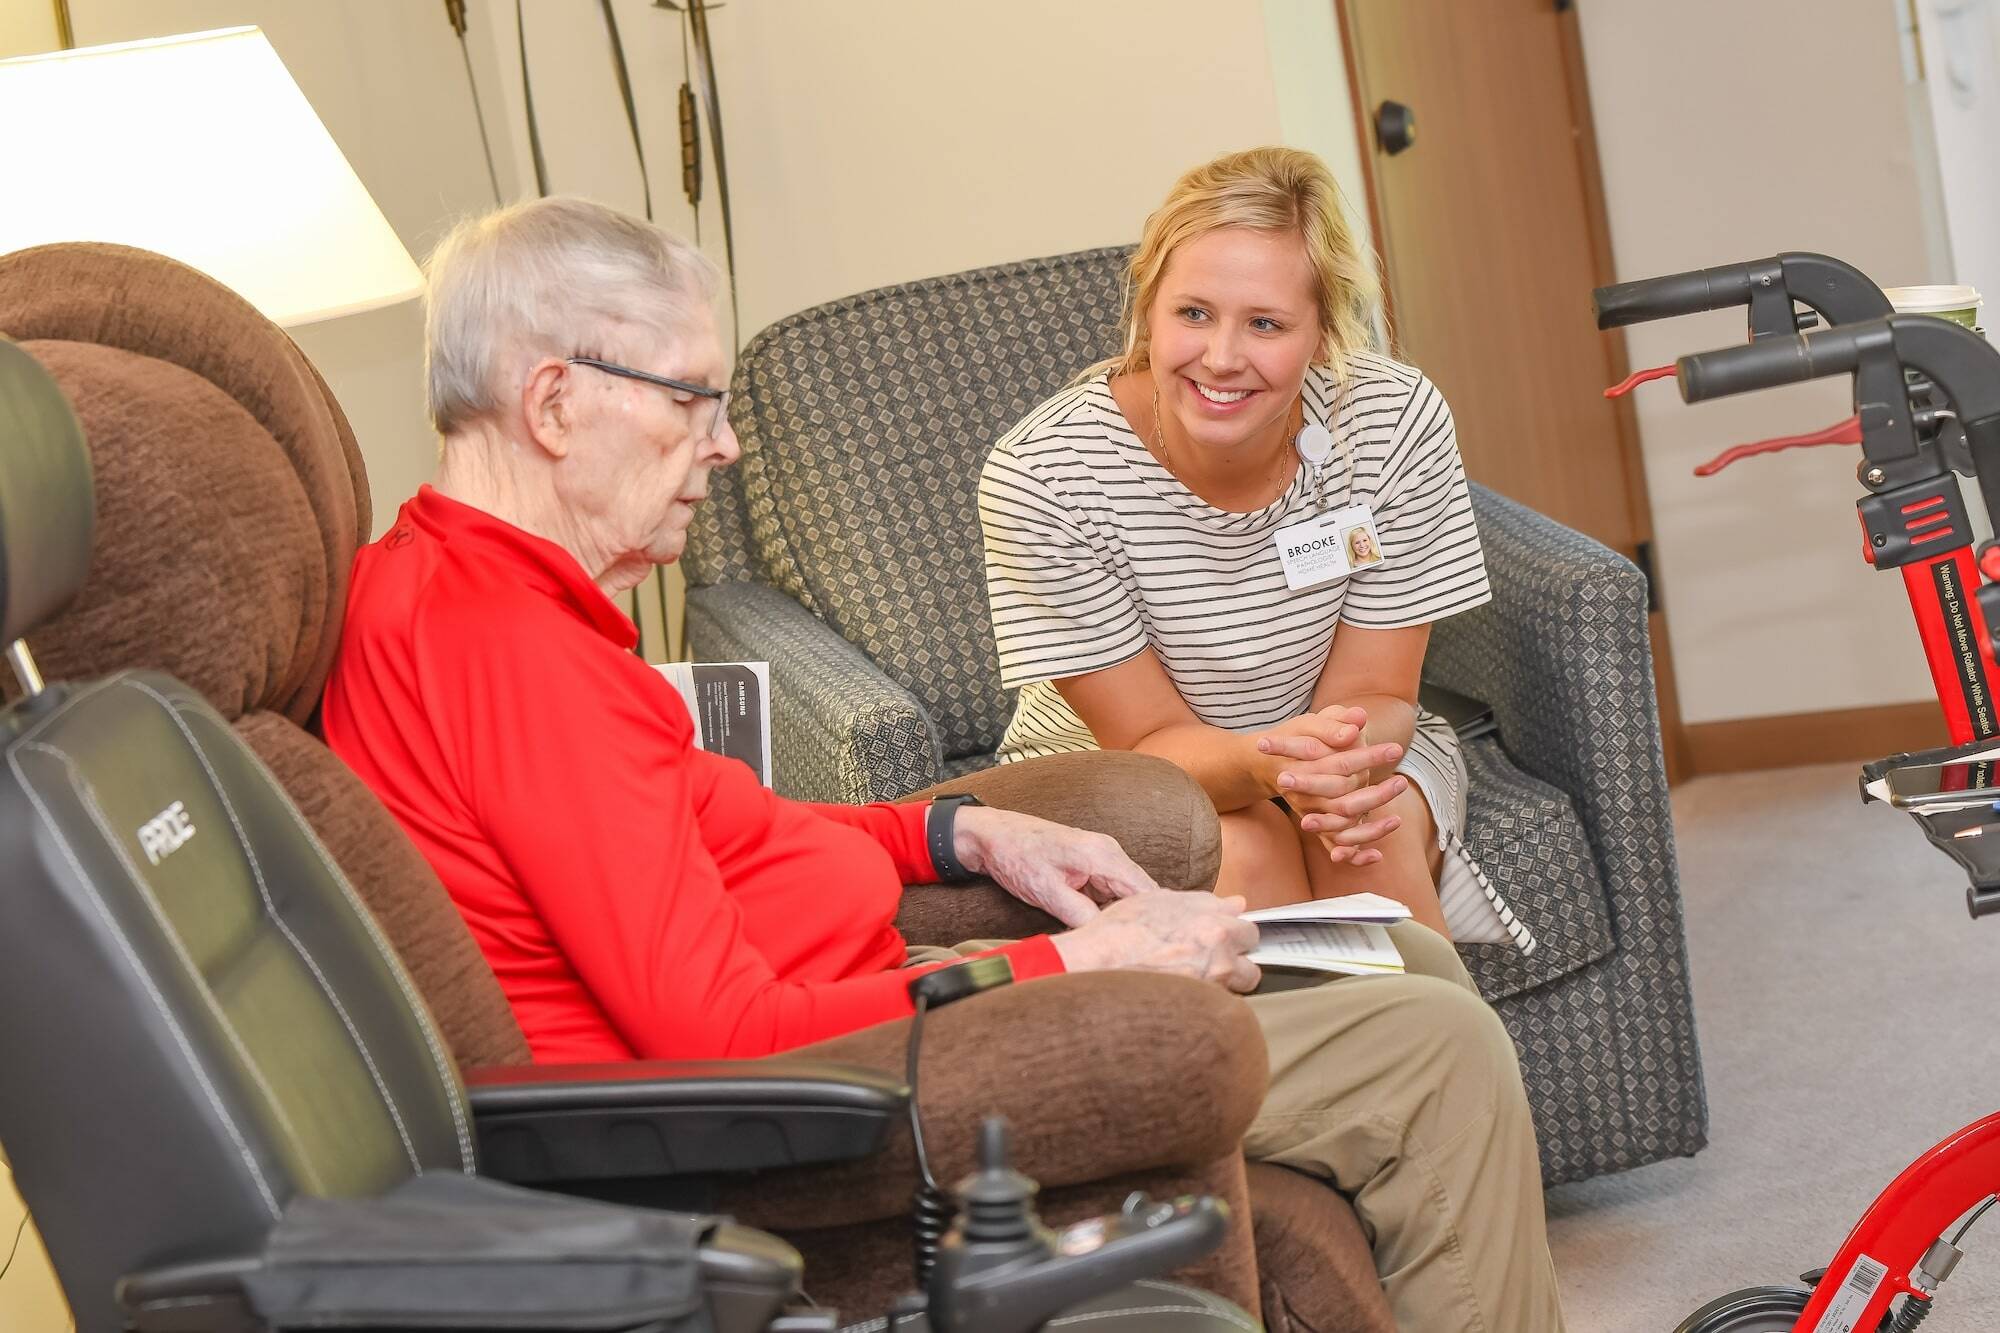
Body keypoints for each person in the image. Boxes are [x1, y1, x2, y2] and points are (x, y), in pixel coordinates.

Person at [323, 194, 1564, 1330]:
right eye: (692, 399)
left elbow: (713, 814)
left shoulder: (465, 591)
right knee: (1436, 1056)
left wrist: (957, 833)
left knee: (1392, 950)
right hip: (834, 1091)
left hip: (886, 1003)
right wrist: (1070, 961)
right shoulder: (510, 657)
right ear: (553, 404)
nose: (725, 446)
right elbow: (720, 1033)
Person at [979, 146, 1530, 953]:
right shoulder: (1044, 475)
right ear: (1147, 308)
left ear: (1324, 333)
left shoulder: (1389, 421)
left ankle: (1426, 1074)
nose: (1222, 358)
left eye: (1266, 323)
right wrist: (1273, 775)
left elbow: (1376, 689)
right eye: (1193, 313)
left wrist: (1326, 775)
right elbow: (1146, 741)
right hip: (1124, 766)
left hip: (1345, 742)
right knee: (1244, 852)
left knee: (1362, 840)